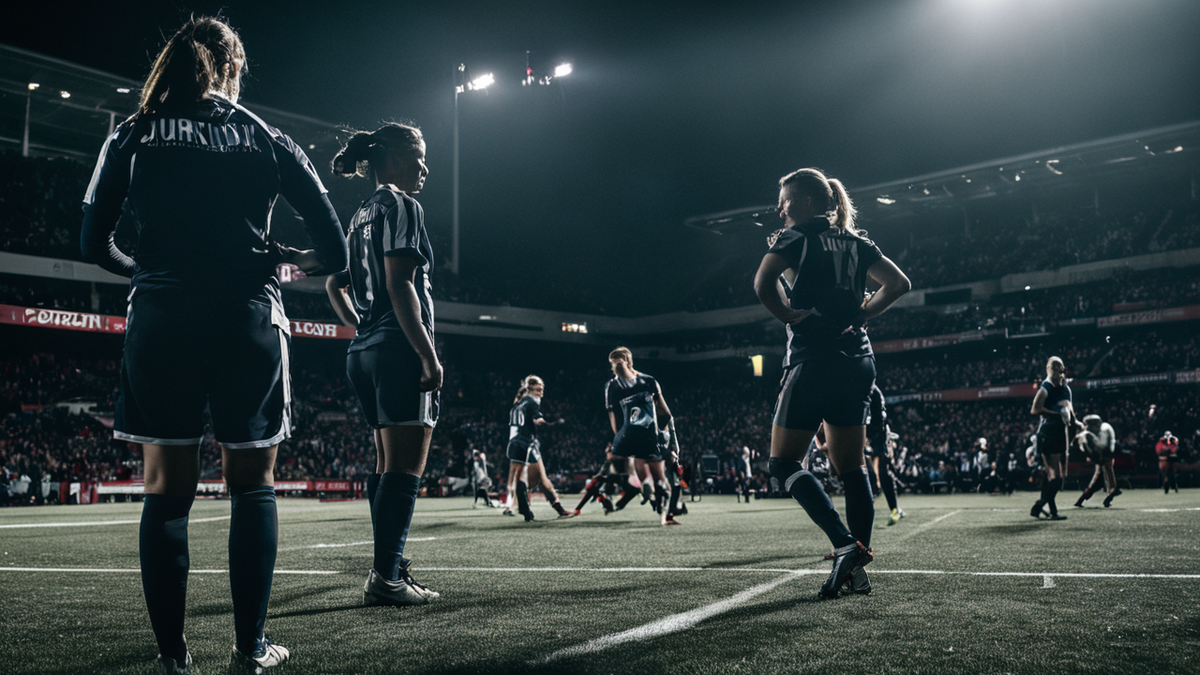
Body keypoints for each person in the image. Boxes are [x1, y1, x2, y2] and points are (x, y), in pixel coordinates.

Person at [80, 16, 347, 674]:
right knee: (252, 485)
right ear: (232, 68)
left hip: (162, 317)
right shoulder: (264, 135)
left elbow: (91, 242)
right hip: (246, 320)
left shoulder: (133, 132)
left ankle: (173, 657)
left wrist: (143, 267)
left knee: (166, 492)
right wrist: (284, 259)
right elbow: (336, 248)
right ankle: (250, 650)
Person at [753, 167, 910, 599]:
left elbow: (762, 283)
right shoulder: (858, 241)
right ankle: (858, 567)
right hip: (858, 361)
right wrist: (864, 313)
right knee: (853, 467)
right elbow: (898, 283)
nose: (779, 207)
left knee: (783, 464)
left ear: (804, 201)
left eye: (784, 199)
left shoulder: (797, 237)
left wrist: (786, 315)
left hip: (811, 361)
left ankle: (844, 543)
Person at [325, 122, 441, 607]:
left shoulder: (360, 215)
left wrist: (361, 325)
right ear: (393, 159)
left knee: (385, 463)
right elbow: (401, 286)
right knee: (407, 467)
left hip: (365, 349)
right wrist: (428, 354)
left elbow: (335, 284)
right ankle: (385, 578)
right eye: (419, 158)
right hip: (397, 347)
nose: (425, 169)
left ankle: (389, 568)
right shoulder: (403, 206)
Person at [604, 347, 676, 524]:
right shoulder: (649, 380)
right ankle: (662, 507)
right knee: (661, 476)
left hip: (630, 437)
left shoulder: (612, 386)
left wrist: (619, 437)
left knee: (641, 472)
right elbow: (665, 413)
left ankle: (648, 493)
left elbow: (613, 417)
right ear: (630, 360)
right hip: (653, 436)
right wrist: (669, 438)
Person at [503, 375, 572, 520]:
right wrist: (554, 424)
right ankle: (532, 511)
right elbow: (538, 420)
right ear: (532, 388)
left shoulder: (520, 402)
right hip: (526, 444)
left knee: (528, 477)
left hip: (518, 443)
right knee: (531, 478)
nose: (542, 389)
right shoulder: (532, 402)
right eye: (540, 386)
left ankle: (527, 510)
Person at [1029, 357, 1081, 521]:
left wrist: (1076, 423)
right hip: (1047, 432)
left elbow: (1069, 410)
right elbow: (1035, 409)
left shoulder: (1065, 388)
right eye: (1054, 367)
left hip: (1060, 432)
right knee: (1055, 476)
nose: (1057, 370)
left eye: (1059, 367)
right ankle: (1041, 504)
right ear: (1048, 369)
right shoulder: (1045, 387)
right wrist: (1056, 414)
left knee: (1055, 476)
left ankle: (1051, 511)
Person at [866, 384, 904, 525]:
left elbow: (880, 419)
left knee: (883, 471)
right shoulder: (860, 388)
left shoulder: (874, 392)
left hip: (877, 433)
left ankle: (894, 507)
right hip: (866, 432)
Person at [1074, 414, 1122, 508]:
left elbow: (1110, 444)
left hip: (1103, 455)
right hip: (1099, 456)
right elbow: (1087, 447)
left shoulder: (1104, 430)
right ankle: (1111, 491)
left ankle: (1110, 492)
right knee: (1097, 481)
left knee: (1100, 477)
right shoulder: (1087, 435)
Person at [572, 444, 619, 515]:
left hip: (613, 483)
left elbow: (614, 476)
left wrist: (598, 477)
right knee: (593, 487)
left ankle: (579, 508)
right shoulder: (608, 462)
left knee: (593, 487)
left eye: (609, 453)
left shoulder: (616, 463)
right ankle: (600, 498)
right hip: (604, 482)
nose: (607, 455)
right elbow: (602, 473)